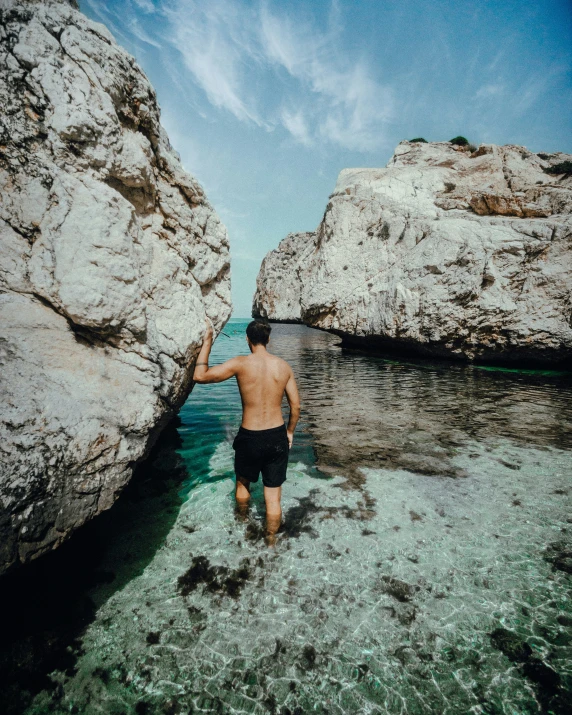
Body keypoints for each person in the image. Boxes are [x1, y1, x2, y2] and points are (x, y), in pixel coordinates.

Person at [193, 319, 301, 544]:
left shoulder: (240, 363)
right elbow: (296, 406)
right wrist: (289, 431)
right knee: (273, 498)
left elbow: (200, 376)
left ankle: (241, 528)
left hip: (250, 436)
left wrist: (208, 341)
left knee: (243, 483)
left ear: (247, 339)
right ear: (268, 339)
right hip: (277, 436)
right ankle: (271, 542)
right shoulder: (283, 366)